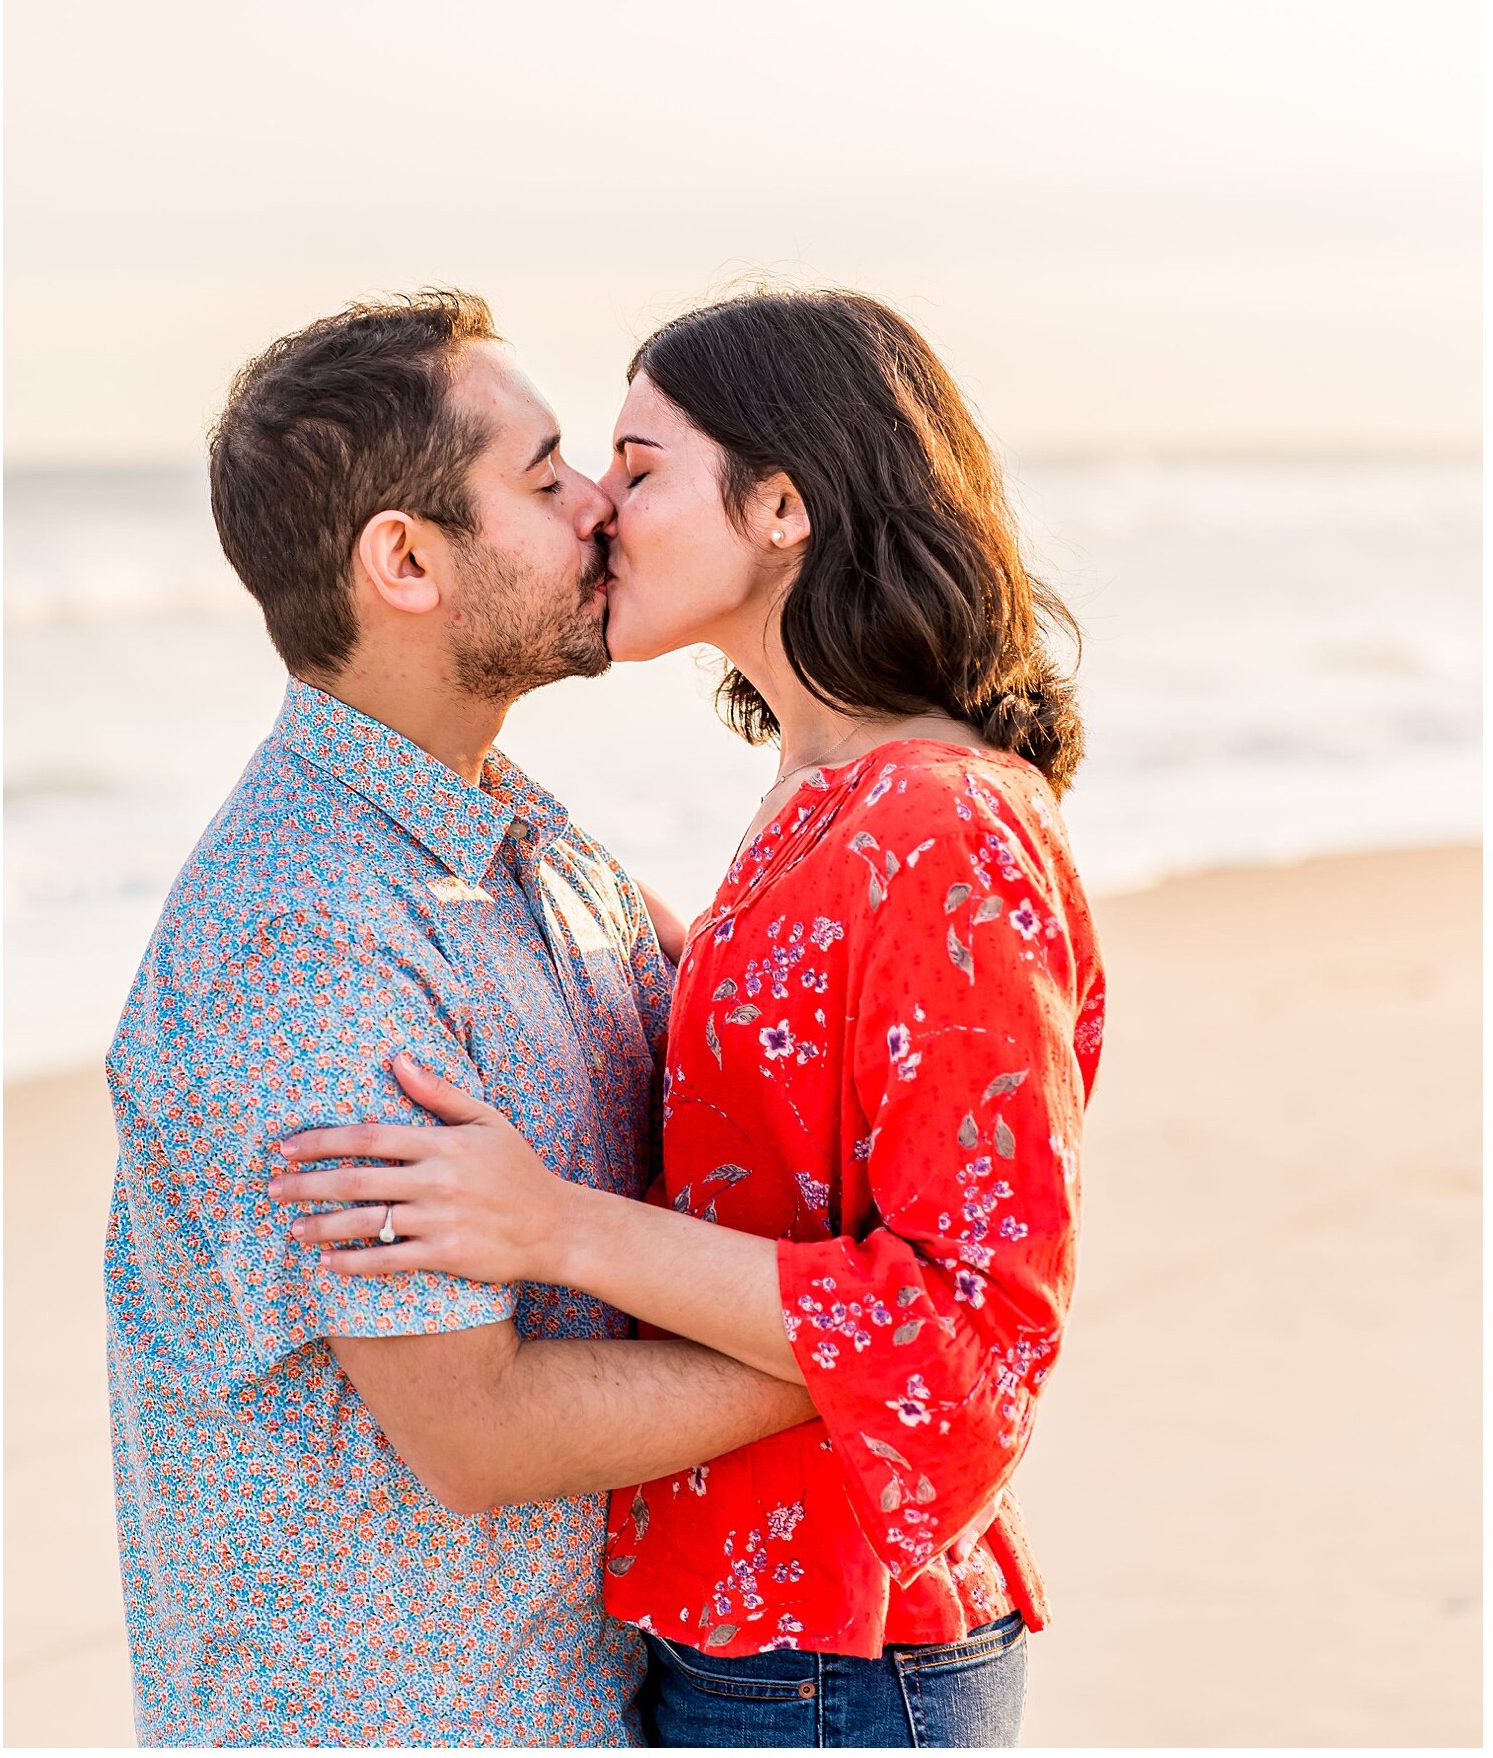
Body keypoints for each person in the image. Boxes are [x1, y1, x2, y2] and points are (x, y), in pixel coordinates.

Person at [269, 287, 1107, 1749]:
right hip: (747, 1632)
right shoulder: (824, 797)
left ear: (782, 503)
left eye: (639, 466)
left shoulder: (940, 827)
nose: (599, 511)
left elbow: (971, 1329)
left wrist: (553, 1229)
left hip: (845, 1652)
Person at [103, 289, 817, 1748]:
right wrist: (857, 1362)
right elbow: (474, 1429)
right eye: (547, 475)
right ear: (407, 559)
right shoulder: (305, 941)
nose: (599, 504)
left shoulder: (511, 831)